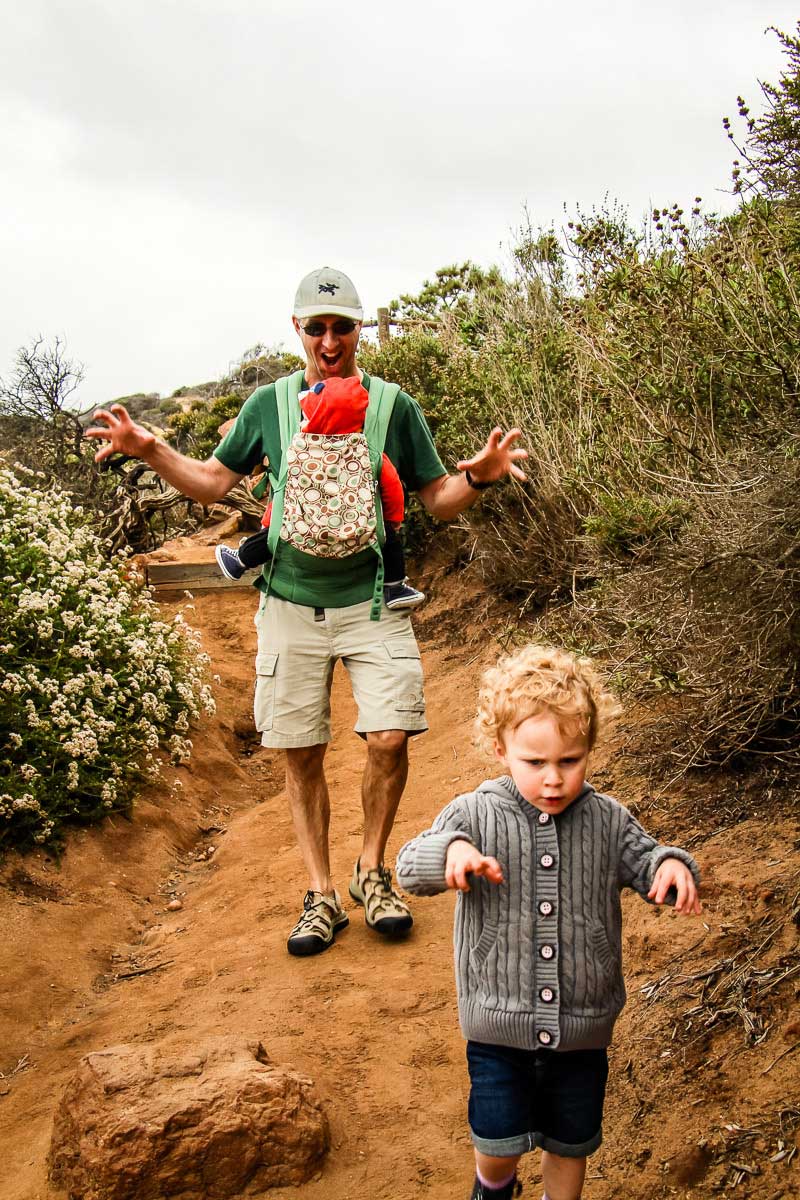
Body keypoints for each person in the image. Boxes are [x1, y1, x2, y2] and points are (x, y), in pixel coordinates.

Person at [85, 265, 528, 960]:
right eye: (316, 327)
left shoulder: (392, 406)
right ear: (297, 329)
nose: (329, 339)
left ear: (359, 330)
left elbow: (436, 495)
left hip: (374, 600)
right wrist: (153, 449)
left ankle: (372, 871)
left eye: (342, 326)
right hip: (289, 604)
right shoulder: (269, 405)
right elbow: (212, 480)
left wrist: (477, 476)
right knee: (300, 753)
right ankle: (320, 892)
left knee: (388, 736)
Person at [395, 644, 702, 1200]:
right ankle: (494, 1187)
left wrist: (674, 865)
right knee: (497, 1136)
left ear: (590, 751)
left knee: (571, 1142)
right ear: (500, 749)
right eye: (535, 763)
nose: (554, 779)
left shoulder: (608, 820)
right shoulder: (475, 813)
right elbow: (409, 867)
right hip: (496, 1023)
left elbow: (646, 857)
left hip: (583, 1026)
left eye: (570, 760)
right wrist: (453, 854)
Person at [213, 374, 426, 611]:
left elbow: (285, 494)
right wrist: (393, 521)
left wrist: (267, 524)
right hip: (358, 533)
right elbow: (393, 488)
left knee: (276, 534)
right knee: (389, 540)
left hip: (302, 535)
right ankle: (394, 587)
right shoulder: (368, 452)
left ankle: (239, 561)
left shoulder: (300, 450)